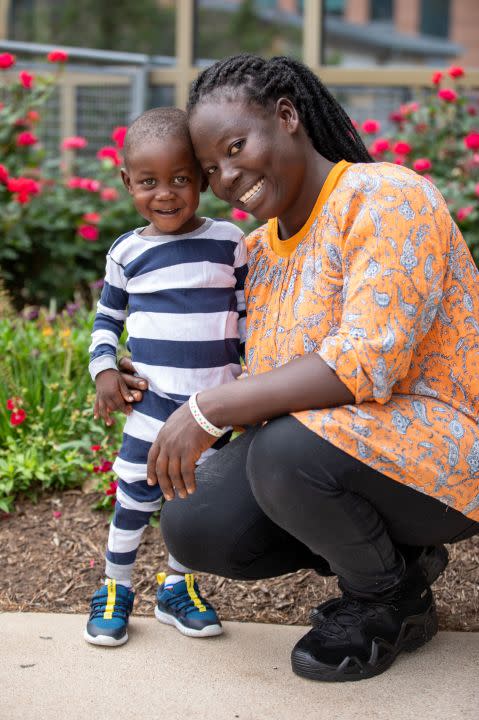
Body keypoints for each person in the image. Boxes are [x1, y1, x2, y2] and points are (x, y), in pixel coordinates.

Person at [119, 55, 479, 682]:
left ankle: (387, 600)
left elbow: (368, 360)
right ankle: (402, 563)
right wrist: (144, 365)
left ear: (287, 116)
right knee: (195, 522)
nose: (229, 177)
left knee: (282, 450)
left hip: (451, 453)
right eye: (210, 169)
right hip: (337, 454)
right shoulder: (255, 252)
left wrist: (209, 410)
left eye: (237, 147)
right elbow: (227, 355)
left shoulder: (386, 198)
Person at [85, 107, 247, 647]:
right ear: (126, 181)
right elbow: (106, 320)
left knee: (192, 501)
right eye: (148, 182)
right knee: (134, 497)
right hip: (151, 411)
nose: (166, 194)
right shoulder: (128, 254)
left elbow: (250, 317)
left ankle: (176, 587)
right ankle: (115, 587)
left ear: (202, 178)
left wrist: (253, 378)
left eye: (180, 179)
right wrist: (105, 368)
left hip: (210, 414)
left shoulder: (229, 242)